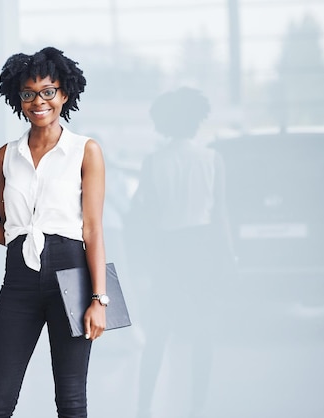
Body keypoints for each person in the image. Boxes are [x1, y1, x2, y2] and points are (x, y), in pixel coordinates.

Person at [0, 46, 107, 418]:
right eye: (28, 93)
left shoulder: (85, 151)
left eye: (48, 91)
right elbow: (9, 232)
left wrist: (99, 299)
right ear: (18, 98)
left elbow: (94, 230)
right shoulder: (6, 156)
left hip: (72, 278)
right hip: (18, 282)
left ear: (64, 93)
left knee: (70, 401)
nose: (39, 101)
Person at [125, 87, 236, 418]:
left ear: (164, 123)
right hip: (203, 249)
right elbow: (220, 215)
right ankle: (198, 406)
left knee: (158, 332)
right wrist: (229, 258)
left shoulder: (152, 162)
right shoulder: (213, 159)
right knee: (204, 332)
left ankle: (144, 406)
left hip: (167, 250)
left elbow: (145, 212)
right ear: (197, 121)